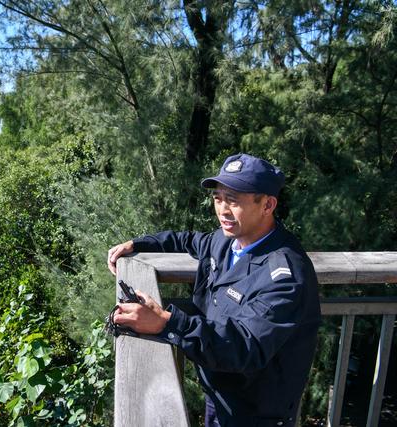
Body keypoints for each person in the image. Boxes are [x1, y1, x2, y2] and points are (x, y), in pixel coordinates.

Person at [107, 153, 321, 427]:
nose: (222, 209)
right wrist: (139, 244)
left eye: (233, 200)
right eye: (218, 198)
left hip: (254, 414)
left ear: (268, 205)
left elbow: (245, 347)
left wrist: (166, 323)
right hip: (220, 398)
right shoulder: (227, 241)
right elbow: (188, 240)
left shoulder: (285, 277)